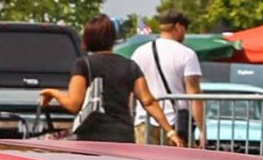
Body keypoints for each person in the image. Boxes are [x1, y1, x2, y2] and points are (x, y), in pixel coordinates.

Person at [39, 14, 183, 145]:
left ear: (88, 38)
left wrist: (53, 93)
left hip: (91, 138)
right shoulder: (130, 66)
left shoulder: (83, 64)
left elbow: (73, 104)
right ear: (113, 39)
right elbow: (148, 101)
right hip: (122, 137)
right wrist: (170, 132)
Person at [133, 10, 204, 146]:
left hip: (144, 121)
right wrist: (202, 130)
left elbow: (132, 90)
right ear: (178, 27)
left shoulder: (139, 52)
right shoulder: (187, 54)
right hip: (175, 123)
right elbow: (194, 94)